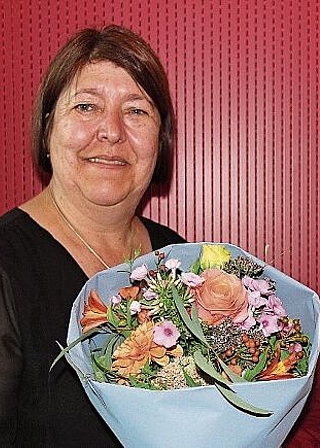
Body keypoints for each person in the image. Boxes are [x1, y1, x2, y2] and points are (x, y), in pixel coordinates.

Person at [0, 25, 186, 447]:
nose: (111, 131)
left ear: (162, 141)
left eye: (136, 111)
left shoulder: (175, 256)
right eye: (86, 107)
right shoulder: (7, 263)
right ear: (48, 131)